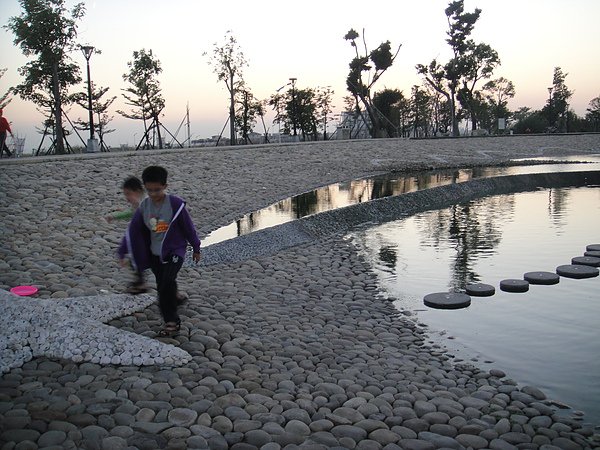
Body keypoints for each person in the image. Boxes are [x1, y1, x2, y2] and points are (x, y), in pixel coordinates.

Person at [118, 165, 201, 336]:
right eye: (149, 190)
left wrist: (196, 246)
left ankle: (172, 321)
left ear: (165, 186)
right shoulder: (144, 207)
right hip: (155, 254)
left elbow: (188, 227)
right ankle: (175, 297)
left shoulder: (176, 204)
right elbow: (133, 232)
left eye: (157, 190)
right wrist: (123, 251)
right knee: (163, 282)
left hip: (175, 251)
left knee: (165, 285)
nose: (154, 194)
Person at [107, 176, 148, 294]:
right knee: (134, 259)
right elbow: (131, 214)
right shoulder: (138, 204)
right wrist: (115, 216)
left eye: (128, 194)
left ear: (138, 191)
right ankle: (140, 282)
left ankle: (141, 283)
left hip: (150, 239)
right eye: (125, 194)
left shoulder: (146, 204)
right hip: (142, 240)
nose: (127, 198)